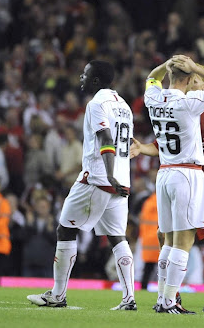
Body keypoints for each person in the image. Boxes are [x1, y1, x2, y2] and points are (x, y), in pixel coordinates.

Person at [131, 69, 204, 312]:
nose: (192, 84)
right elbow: (159, 144)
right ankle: (169, 298)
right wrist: (144, 147)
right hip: (188, 176)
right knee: (172, 240)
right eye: (191, 79)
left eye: (197, 81)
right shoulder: (186, 105)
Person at [27, 60, 137, 310]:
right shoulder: (125, 106)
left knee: (65, 230)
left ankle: (57, 295)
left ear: (96, 80)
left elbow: (106, 138)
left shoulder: (96, 103)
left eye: (85, 74)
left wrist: (108, 175)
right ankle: (129, 298)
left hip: (98, 178)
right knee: (117, 238)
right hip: (122, 182)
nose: (81, 77)